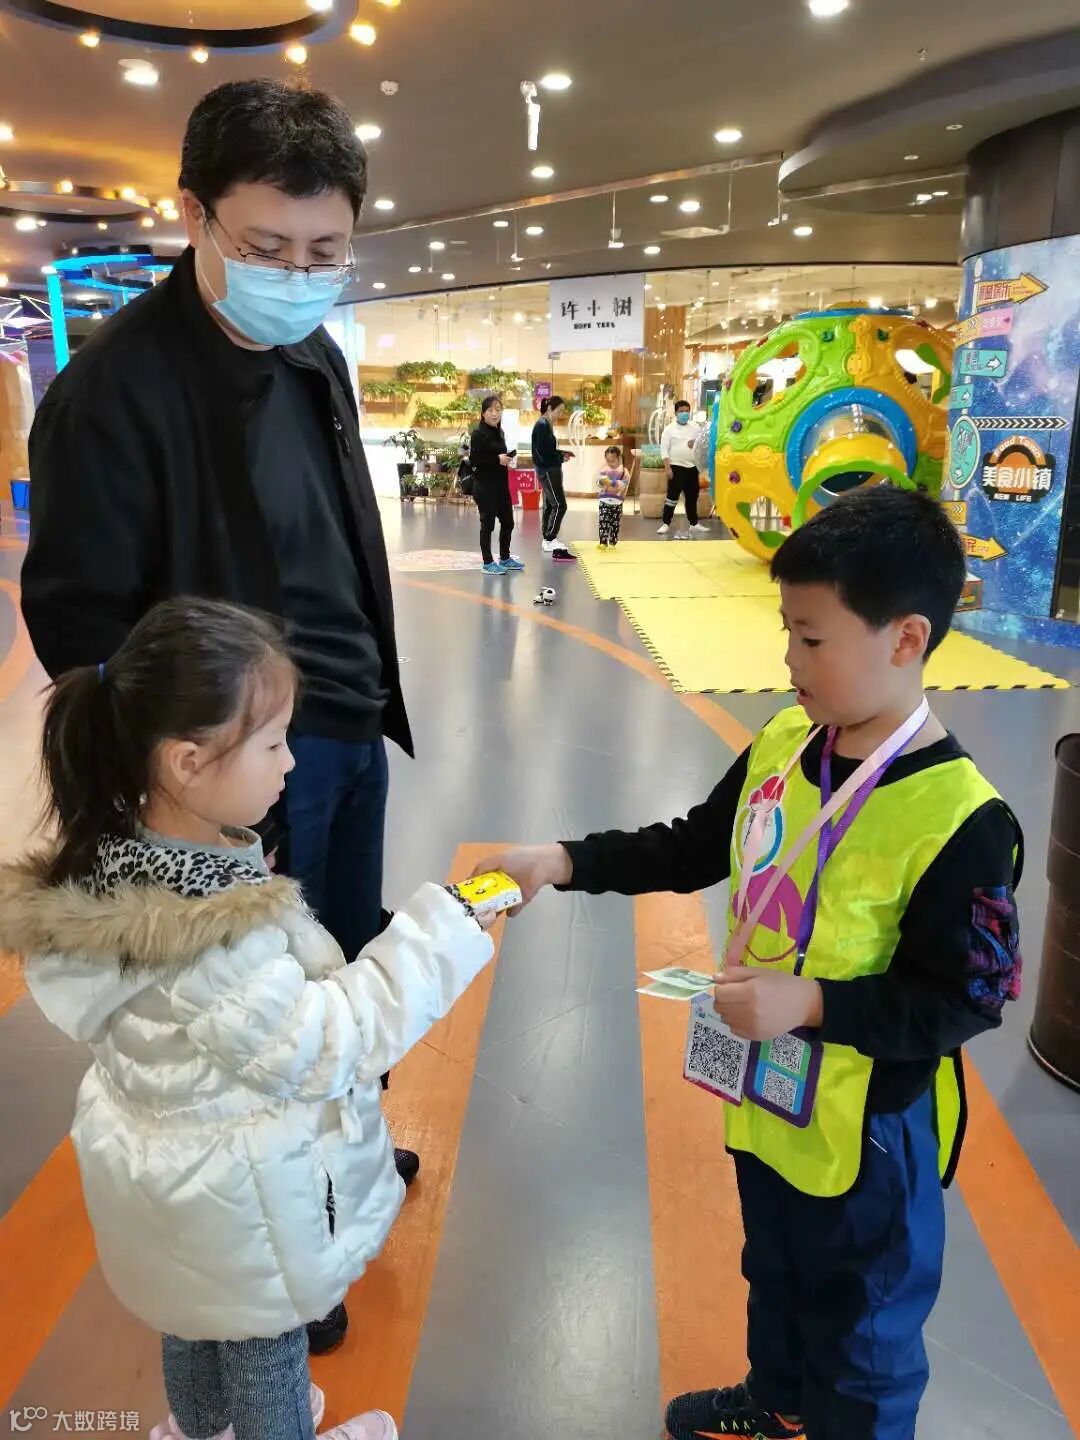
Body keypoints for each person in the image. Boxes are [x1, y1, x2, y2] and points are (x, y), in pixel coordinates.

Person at [473, 488, 1024, 1440]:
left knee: (864, 1336)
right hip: (766, 1095)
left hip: (868, 1135)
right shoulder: (783, 744)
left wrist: (811, 1003)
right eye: (785, 633)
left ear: (906, 639)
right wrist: (561, 861)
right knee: (774, 1270)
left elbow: (965, 1001)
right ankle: (778, 1403)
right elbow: (697, 844)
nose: (788, 661)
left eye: (811, 639)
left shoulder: (964, 820)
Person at [20, 82, 422, 1300]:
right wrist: (181, 786)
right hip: (227, 773)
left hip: (341, 730)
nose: (298, 277)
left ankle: (345, 1163)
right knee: (257, 1024)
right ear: (192, 213)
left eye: (325, 252)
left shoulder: (314, 357)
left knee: (343, 970)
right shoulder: (113, 392)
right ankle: (288, 1262)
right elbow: (77, 621)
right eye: (266, 247)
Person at [0, 598, 495, 1440]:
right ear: (189, 762)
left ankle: (200, 1430)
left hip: (164, 1183)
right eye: (272, 744)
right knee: (266, 1345)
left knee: (191, 1323)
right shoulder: (213, 938)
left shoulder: (117, 864)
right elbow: (331, 1041)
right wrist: (444, 927)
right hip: (239, 1203)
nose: (291, 762)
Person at [468, 394, 524, 575]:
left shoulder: (500, 433)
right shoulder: (478, 434)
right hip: (485, 487)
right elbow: (475, 461)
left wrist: (506, 458)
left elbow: (498, 457)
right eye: (490, 410)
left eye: (498, 410)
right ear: (483, 413)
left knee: (508, 522)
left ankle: (505, 558)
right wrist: (496, 459)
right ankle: (487, 563)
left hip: (501, 486)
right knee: (488, 525)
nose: (494, 414)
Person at [532, 395, 575, 561]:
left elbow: (547, 451)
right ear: (550, 409)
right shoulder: (542, 426)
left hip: (549, 470)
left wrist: (561, 455)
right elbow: (544, 455)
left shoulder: (545, 425)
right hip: (548, 471)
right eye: (559, 411)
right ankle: (550, 538)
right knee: (559, 505)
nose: (560, 414)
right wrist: (560, 457)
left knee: (550, 504)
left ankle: (548, 538)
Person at [659, 400, 709, 537]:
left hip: (692, 467)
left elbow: (702, 443)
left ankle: (694, 523)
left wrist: (696, 443)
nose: (684, 414)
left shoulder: (695, 427)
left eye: (687, 411)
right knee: (672, 497)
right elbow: (664, 450)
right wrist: (667, 468)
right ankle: (666, 523)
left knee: (692, 496)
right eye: (681, 411)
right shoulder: (669, 429)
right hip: (676, 467)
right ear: (676, 413)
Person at [597, 444, 630, 549]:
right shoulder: (603, 470)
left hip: (617, 501)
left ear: (619, 458)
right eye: (608, 461)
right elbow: (599, 482)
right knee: (603, 521)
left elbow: (623, 484)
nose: (610, 463)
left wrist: (611, 483)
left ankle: (612, 542)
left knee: (615, 523)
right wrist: (602, 482)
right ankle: (603, 542)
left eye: (613, 461)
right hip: (604, 499)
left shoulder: (624, 471)